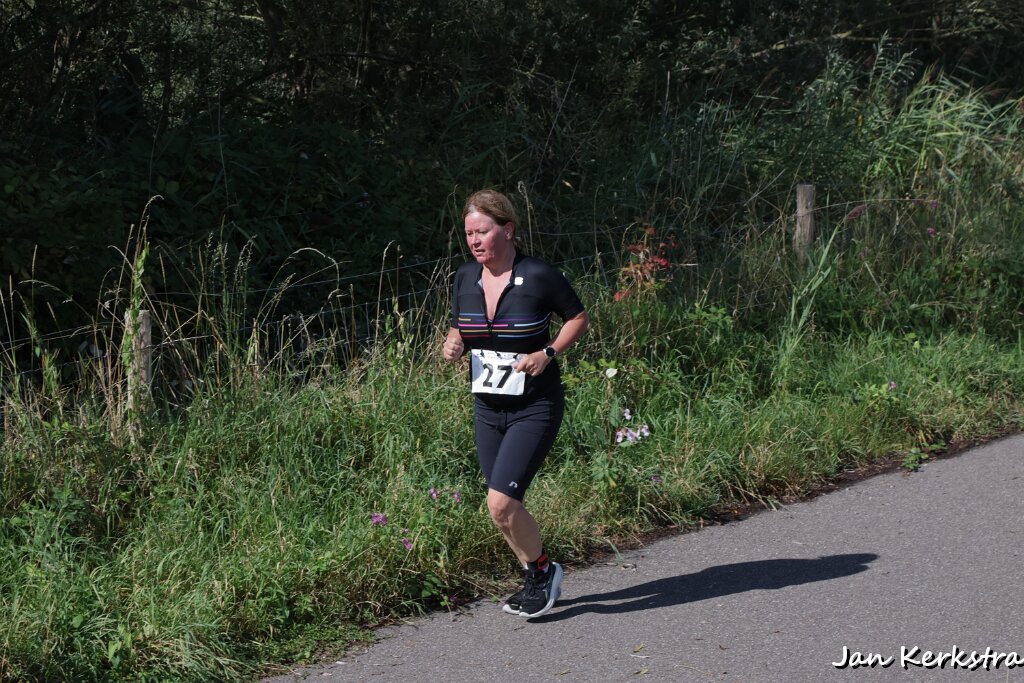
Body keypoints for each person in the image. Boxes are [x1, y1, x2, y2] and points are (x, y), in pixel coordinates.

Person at [443, 189, 590, 619]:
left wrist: (548, 352)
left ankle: (542, 573)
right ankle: (537, 574)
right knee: (502, 507)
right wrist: (453, 343)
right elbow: (459, 327)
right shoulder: (464, 277)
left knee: (501, 503)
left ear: (507, 230)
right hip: (488, 408)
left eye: (483, 231)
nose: (474, 240)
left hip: (534, 405)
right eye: (469, 233)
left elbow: (578, 317)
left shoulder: (539, 274)